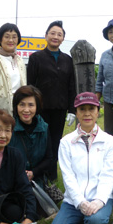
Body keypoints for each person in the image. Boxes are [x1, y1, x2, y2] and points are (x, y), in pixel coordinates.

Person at [47, 93, 113, 224]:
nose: (87, 113)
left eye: (91, 109)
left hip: (100, 198)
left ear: (98, 112)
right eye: (82, 109)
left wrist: (99, 200)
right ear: (76, 113)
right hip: (73, 201)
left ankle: (91, 221)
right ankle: (79, 218)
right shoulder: (66, 142)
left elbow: (109, 175)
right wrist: (80, 202)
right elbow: (68, 176)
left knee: (95, 222)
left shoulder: (109, 141)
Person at [27, 20, 77, 184]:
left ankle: (52, 176)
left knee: (55, 141)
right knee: (41, 140)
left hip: (60, 108)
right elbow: (30, 84)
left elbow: (71, 85)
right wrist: (31, 106)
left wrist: (72, 110)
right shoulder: (36, 58)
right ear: (46, 35)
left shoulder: (67, 60)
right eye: (53, 33)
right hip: (40, 109)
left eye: (59, 34)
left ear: (63, 39)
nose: (56, 37)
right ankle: (37, 174)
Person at [9, 85, 52, 190]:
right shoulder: (8, 128)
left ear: (37, 106)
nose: (26, 110)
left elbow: (49, 158)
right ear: (16, 106)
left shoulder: (44, 128)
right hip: (11, 181)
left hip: (36, 181)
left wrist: (33, 173)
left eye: (31, 105)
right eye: (22, 105)